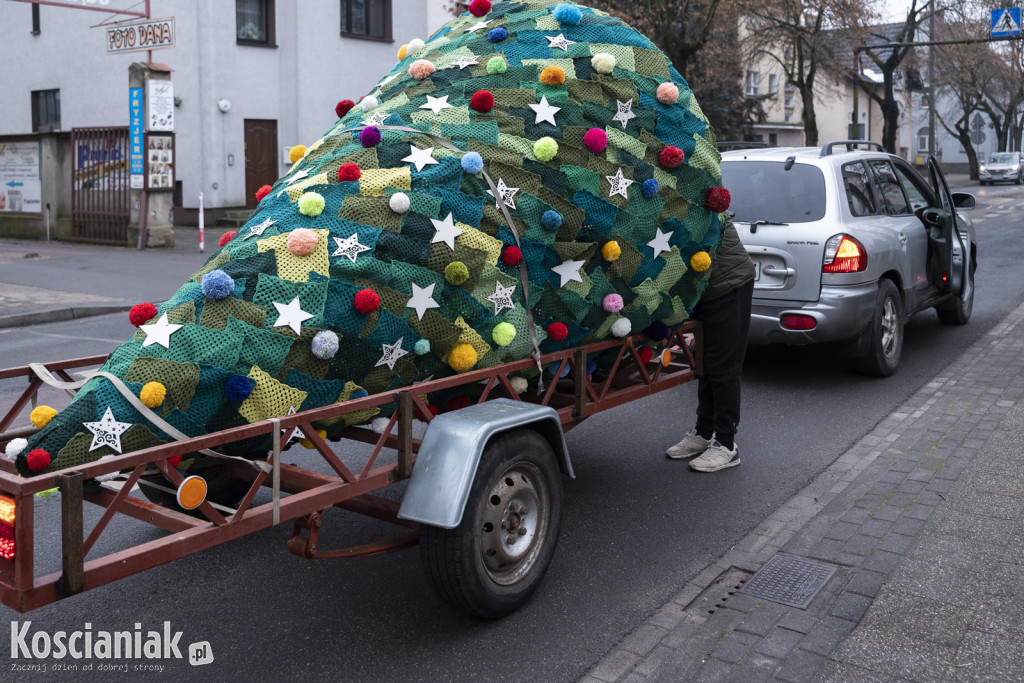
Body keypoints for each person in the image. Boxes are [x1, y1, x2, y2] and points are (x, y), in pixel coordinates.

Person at [666, 218, 755, 472]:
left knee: (724, 366)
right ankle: (704, 433)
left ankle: (726, 445)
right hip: (705, 288)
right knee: (706, 363)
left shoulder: (694, 188)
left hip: (728, 285)